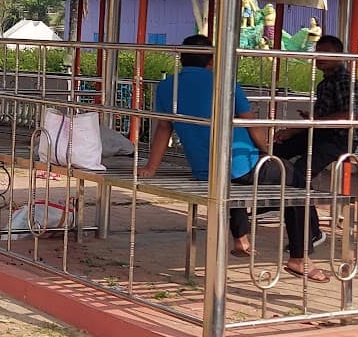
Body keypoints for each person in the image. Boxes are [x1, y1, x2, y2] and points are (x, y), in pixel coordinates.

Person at [138, 34, 329, 282]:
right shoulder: (225, 82)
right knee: (296, 182)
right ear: (211, 60)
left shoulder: (166, 87)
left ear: (183, 58)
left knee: (231, 181)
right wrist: (268, 150)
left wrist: (151, 167)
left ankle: (241, 238)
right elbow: (250, 123)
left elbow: (164, 128)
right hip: (240, 165)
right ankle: (299, 256)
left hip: (205, 168)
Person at [271, 35, 358, 246]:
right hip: (321, 132)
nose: (320, 57)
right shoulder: (325, 83)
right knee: (275, 153)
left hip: (340, 138)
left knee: (300, 172)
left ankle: (312, 230)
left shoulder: (344, 80)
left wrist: (316, 121)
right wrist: (295, 130)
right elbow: (319, 119)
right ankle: (268, 201)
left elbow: (350, 116)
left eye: (326, 53)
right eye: (318, 52)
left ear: (339, 56)